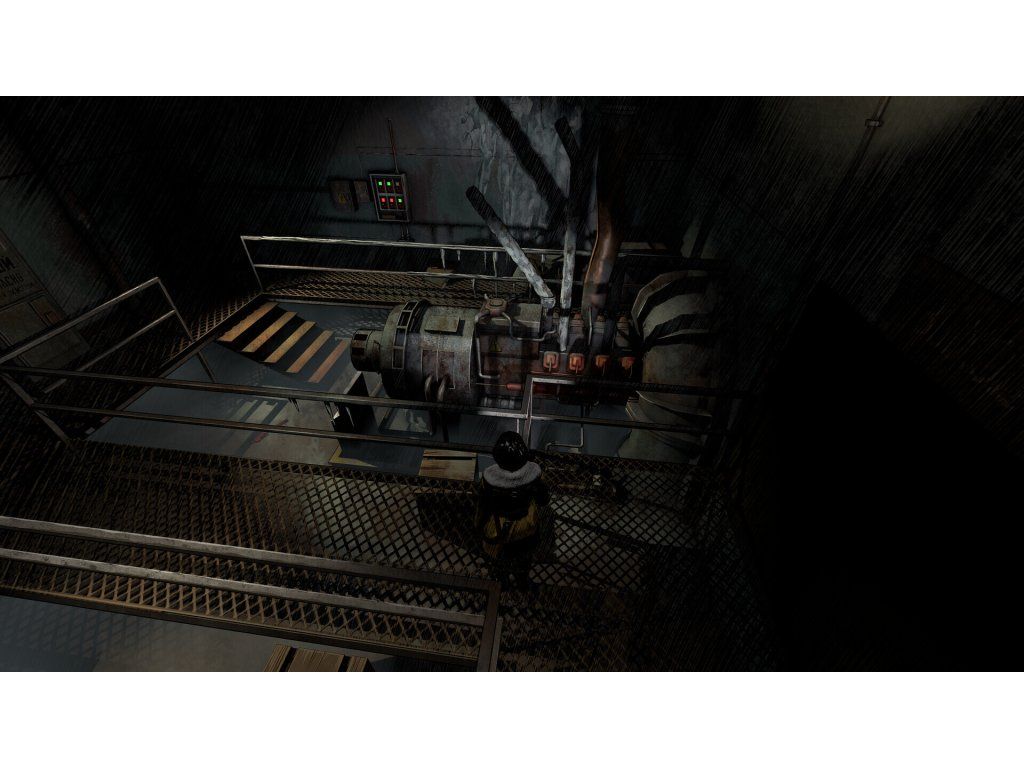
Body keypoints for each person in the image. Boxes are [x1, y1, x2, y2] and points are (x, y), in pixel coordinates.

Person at [477, 431, 550, 589]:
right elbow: (544, 500)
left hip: (498, 529)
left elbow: (483, 505)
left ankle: (502, 583)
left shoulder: (487, 479)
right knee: (524, 557)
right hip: (526, 527)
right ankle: (522, 580)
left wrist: (479, 527)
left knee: (500, 560)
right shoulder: (535, 475)